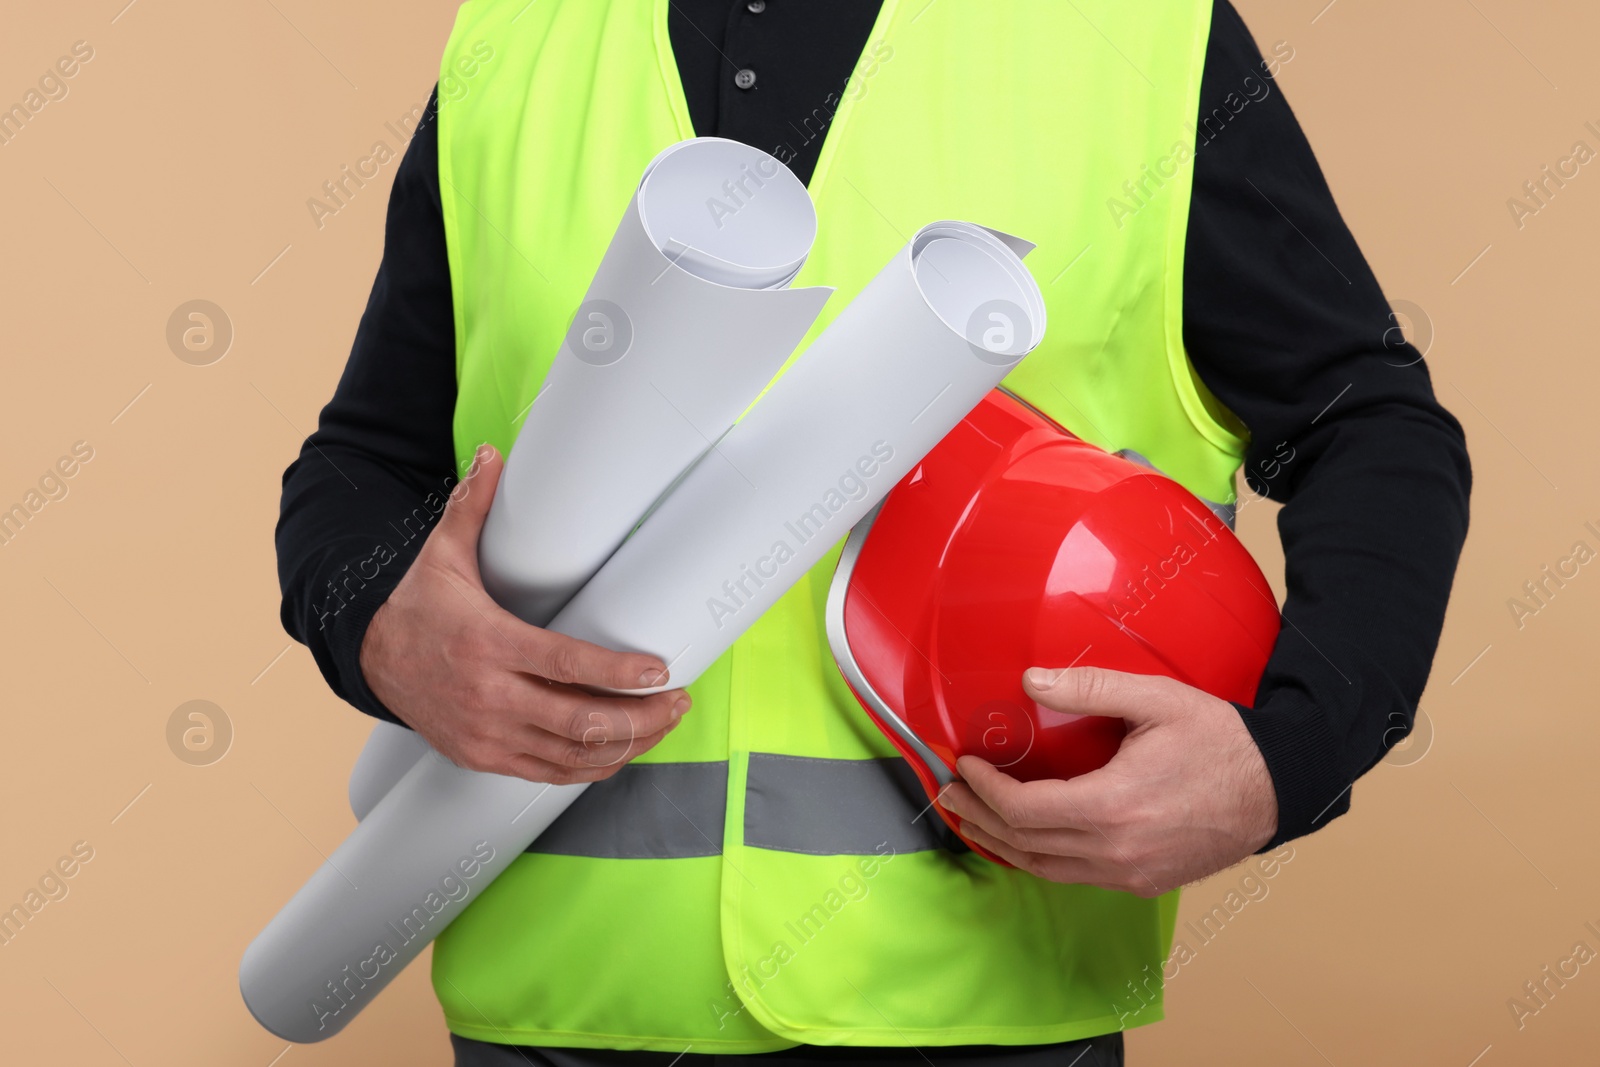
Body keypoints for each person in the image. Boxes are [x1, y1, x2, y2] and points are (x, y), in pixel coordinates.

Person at [275, 2, 1470, 1064]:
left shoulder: (1136, 33)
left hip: (977, 1009)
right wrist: (380, 624)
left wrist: (1283, 759)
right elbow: (365, 463)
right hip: (555, 1004)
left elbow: (1368, 424)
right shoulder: (518, 38)